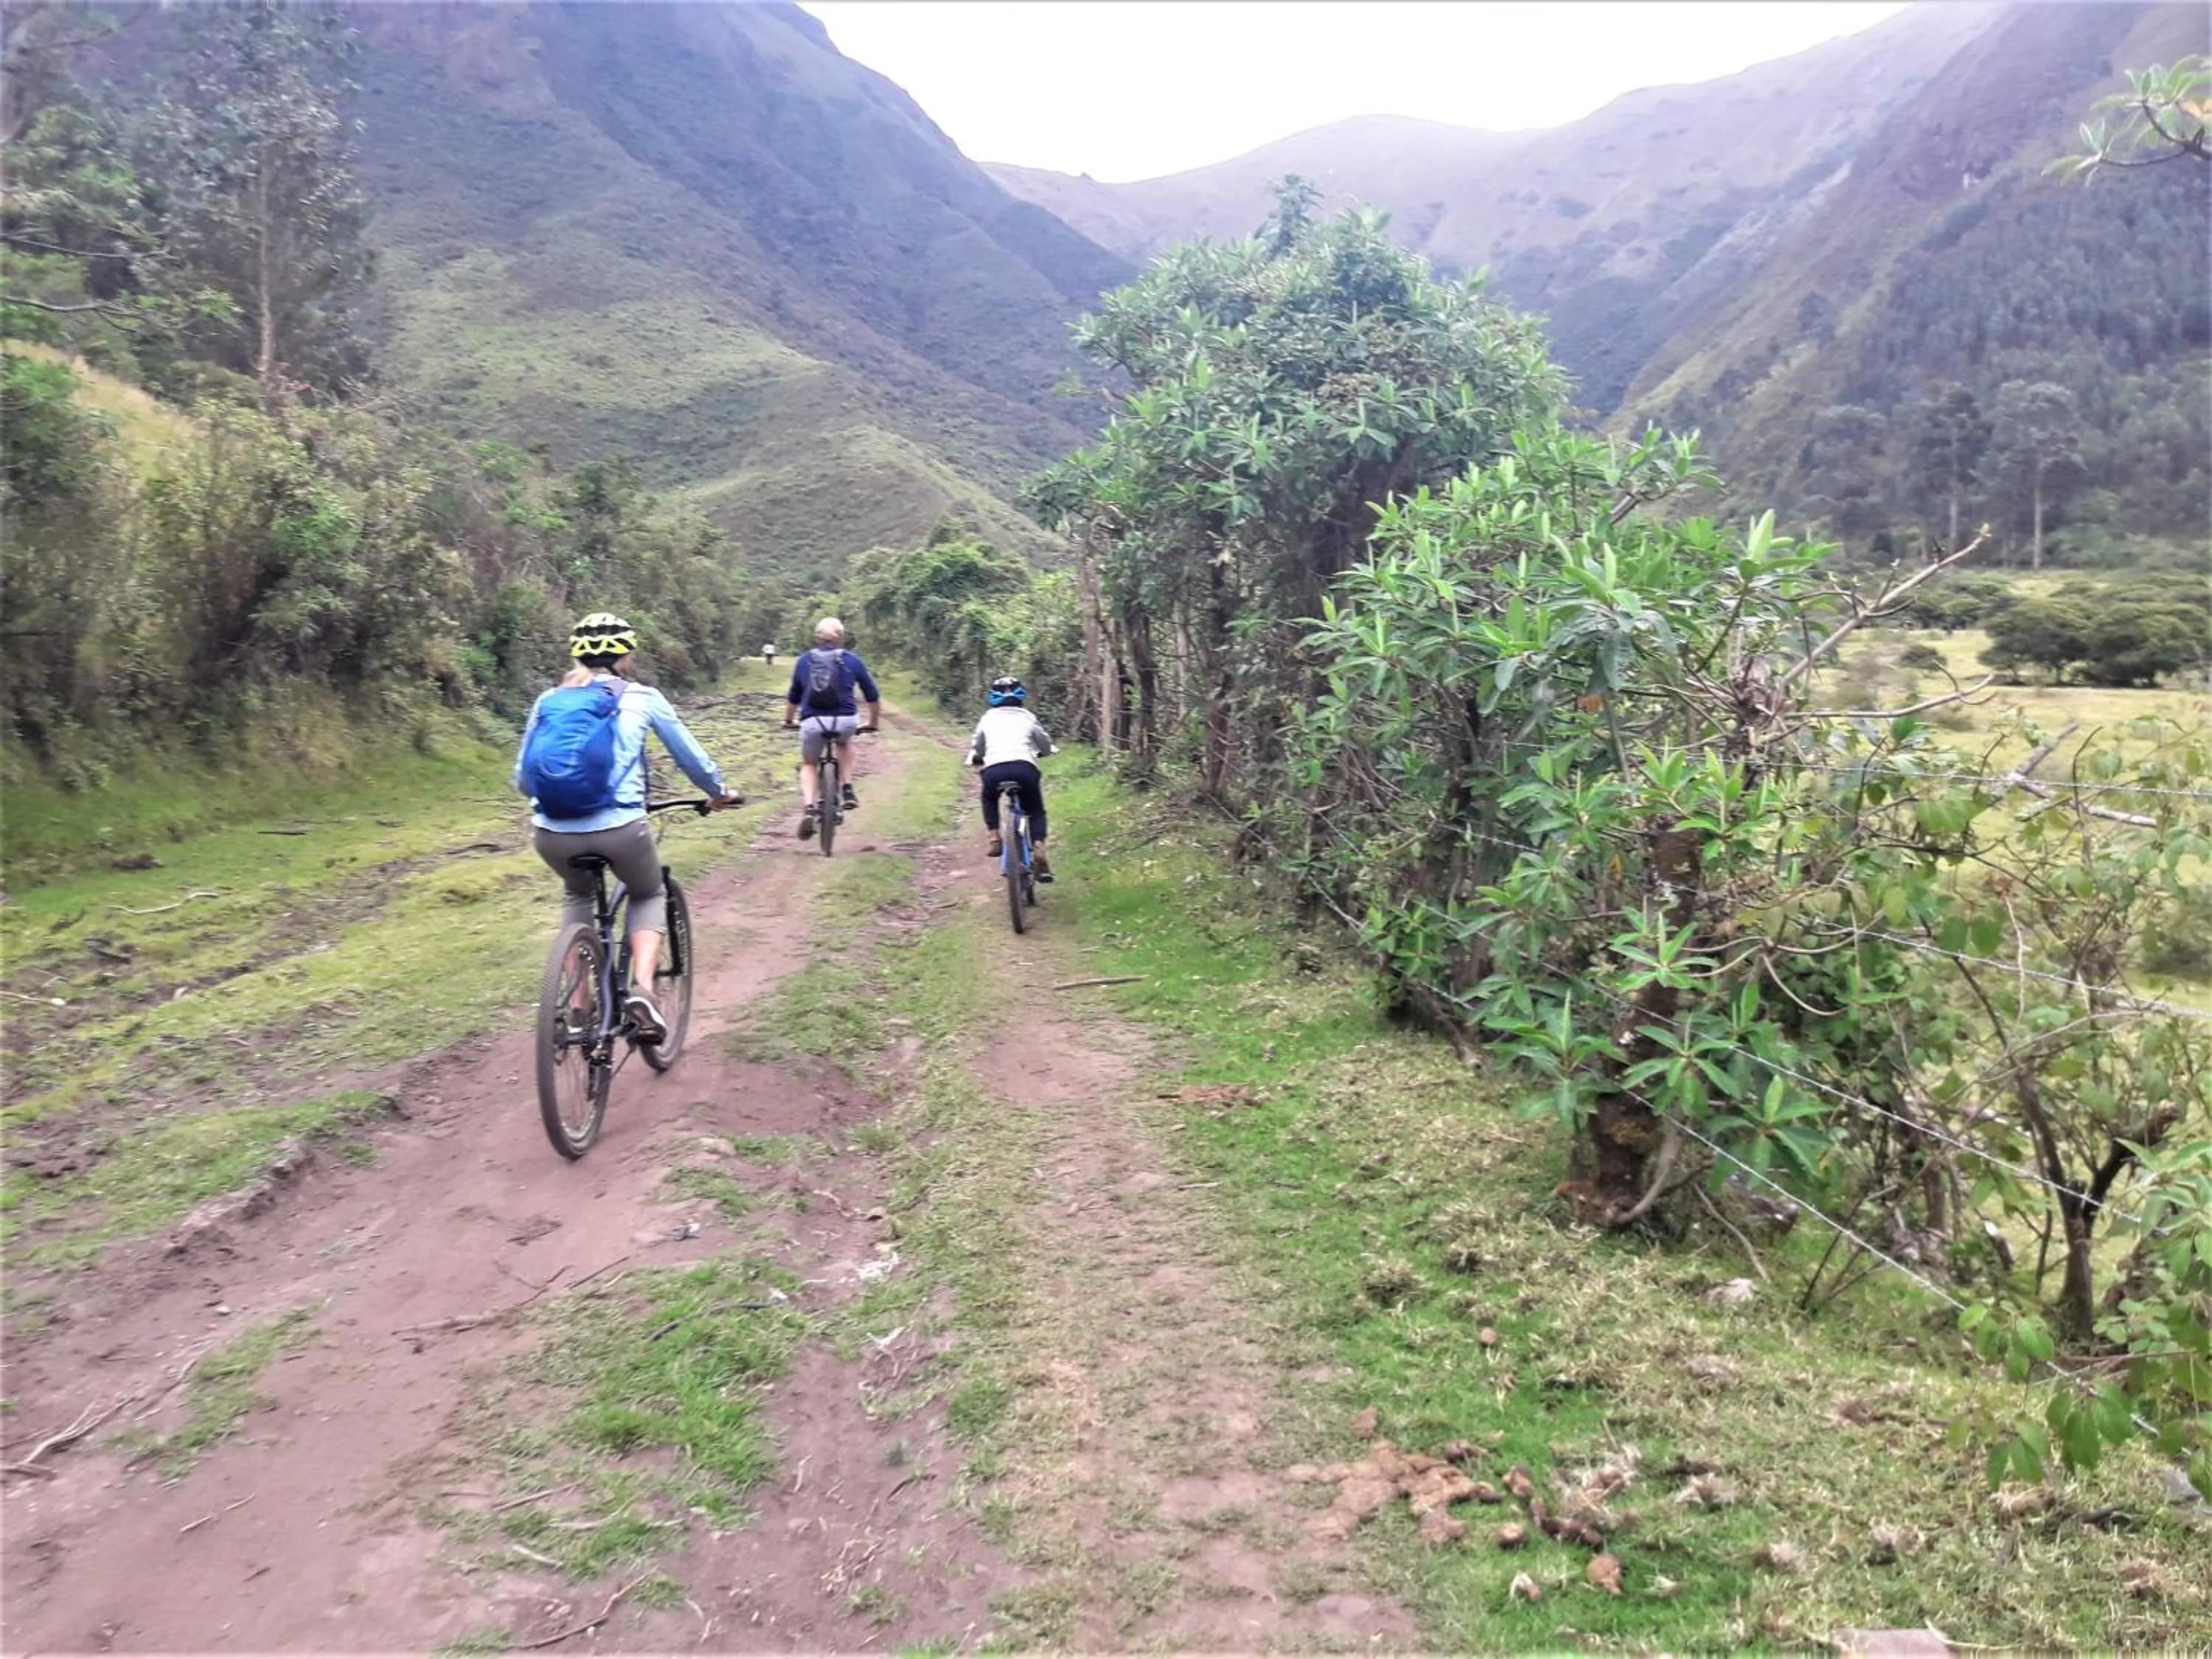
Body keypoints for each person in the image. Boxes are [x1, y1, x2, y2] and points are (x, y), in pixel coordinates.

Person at [515, 613, 741, 1040]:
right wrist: (719, 792)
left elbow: (524, 780)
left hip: (550, 833)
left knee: (576, 892)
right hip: (621, 826)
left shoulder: (549, 700)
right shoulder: (643, 697)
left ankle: (579, 1004)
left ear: (578, 656)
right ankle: (643, 990)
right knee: (649, 890)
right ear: (627, 657)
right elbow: (690, 758)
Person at [782, 616, 881, 839]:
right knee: (844, 743)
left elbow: (794, 697)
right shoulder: (852, 660)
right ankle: (847, 788)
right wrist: (873, 723)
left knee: (809, 763)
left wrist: (789, 720)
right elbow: (872, 696)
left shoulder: (804, 660)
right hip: (845, 720)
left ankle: (809, 807)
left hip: (812, 722)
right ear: (841, 637)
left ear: (817, 637)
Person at [967, 675, 1057, 882]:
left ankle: (994, 836)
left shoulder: (988, 718)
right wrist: (1045, 751)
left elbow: (978, 744)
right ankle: (1039, 847)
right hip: (1024, 768)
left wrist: (979, 757)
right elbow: (1043, 742)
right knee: (1035, 810)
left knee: (989, 798)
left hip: (994, 770)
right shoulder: (1027, 716)